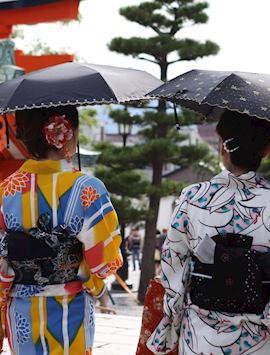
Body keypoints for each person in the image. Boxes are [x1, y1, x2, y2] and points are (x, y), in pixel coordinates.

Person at [0, 106, 122, 354]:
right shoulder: (88, 189)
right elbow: (104, 262)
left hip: (21, 310)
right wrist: (95, 285)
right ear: (66, 133)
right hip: (72, 308)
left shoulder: (5, 190)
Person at [147, 111, 270, 354]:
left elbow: (174, 267)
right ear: (266, 150)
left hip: (200, 335)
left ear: (223, 147)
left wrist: (170, 328)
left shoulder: (193, 197)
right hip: (260, 339)